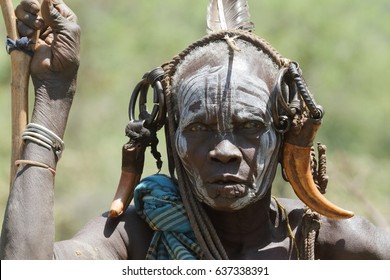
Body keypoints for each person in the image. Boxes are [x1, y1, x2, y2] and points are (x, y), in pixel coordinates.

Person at [1, 0, 389, 260]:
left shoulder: (324, 241)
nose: (224, 150)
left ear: (286, 138)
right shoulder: (133, 235)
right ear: (172, 136)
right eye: (200, 127)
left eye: (250, 127)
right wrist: (54, 97)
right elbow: (26, 268)